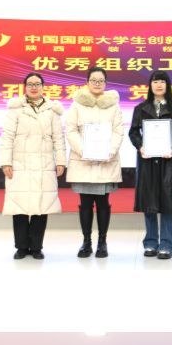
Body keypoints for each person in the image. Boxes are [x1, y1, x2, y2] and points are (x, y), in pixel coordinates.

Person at [1, 73, 66, 261]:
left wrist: (61, 161)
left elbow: (58, 138)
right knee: (19, 206)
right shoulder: (16, 109)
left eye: (37, 84)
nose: (34, 87)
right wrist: (6, 161)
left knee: (41, 206)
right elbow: (7, 137)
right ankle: (21, 247)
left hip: (44, 163)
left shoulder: (52, 110)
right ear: (25, 87)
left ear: (43, 87)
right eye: (30, 84)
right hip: (20, 163)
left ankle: (36, 247)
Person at [64, 68, 123, 259]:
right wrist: (84, 150)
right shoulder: (77, 105)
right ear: (87, 82)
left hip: (106, 161)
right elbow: (70, 130)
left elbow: (118, 131)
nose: (97, 84)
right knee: (85, 203)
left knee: (103, 202)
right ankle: (86, 242)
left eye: (101, 80)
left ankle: (102, 242)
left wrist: (110, 151)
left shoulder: (113, 106)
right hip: (83, 161)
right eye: (93, 80)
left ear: (105, 83)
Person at [128, 71, 172, 260]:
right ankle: (151, 242)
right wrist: (140, 146)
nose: (159, 85)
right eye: (155, 81)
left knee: (167, 203)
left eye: (162, 81)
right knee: (149, 202)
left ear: (167, 85)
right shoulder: (140, 108)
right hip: (146, 160)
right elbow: (133, 132)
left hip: (168, 160)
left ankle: (167, 244)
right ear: (150, 85)